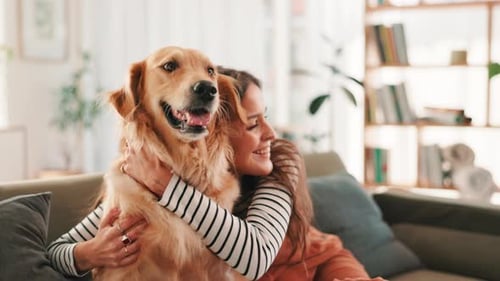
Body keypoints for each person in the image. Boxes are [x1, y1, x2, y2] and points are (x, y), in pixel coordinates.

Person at [47, 66, 378, 281]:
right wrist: (87, 254)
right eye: (252, 124)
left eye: (266, 117)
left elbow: (254, 257)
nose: (270, 133)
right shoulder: (147, 189)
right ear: (214, 133)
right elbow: (55, 252)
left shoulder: (276, 170)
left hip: (321, 268)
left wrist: (166, 185)